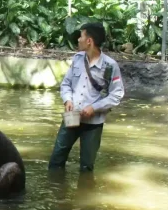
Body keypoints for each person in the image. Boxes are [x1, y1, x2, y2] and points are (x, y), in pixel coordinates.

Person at [48, 22, 125, 173]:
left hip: (94, 122)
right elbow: (66, 84)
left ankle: (84, 192)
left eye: (81, 36)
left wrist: (94, 108)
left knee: (86, 167)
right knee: (56, 160)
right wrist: (68, 100)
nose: (78, 39)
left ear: (89, 41)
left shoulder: (110, 66)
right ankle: (56, 191)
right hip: (72, 117)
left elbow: (117, 94)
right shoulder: (77, 59)